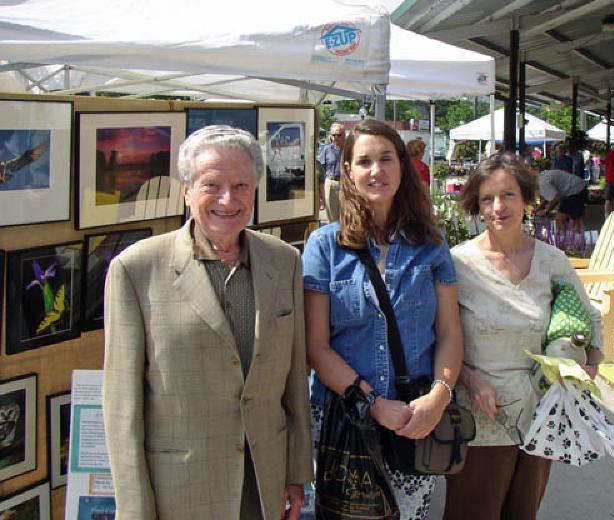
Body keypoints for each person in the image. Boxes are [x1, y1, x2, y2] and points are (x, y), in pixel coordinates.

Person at [103, 126, 312, 520]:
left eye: (241, 185)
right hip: (179, 489)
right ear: (186, 189)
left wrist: (297, 473)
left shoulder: (284, 262)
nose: (227, 199)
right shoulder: (136, 269)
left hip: (262, 482)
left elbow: (294, 380)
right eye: (211, 184)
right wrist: (134, 509)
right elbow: (121, 408)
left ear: (255, 190)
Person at [303, 120, 463, 520]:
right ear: (348, 172)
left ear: (404, 167)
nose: (376, 170)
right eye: (365, 161)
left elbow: (448, 331)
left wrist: (439, 397)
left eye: (386, 159)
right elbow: (315, 345)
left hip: (415, 418)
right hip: (346, 419)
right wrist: (372, 403)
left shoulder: (431, 244)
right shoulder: (325, 245)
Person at [443, 153, 602, 520]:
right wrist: (468, 379)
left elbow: (589, 318)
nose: (499, 207)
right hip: (482, 420)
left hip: (540, 418)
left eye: (508, 195)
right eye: (487, 198)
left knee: (523, 512)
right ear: (476, 206)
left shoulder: (552, 261)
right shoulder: (457, 264)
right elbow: (439, 338)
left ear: (528, 199)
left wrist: (588, 368)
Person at [534, 168, 588, 238]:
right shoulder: (541, 178)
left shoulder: (542, 184)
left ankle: (565, 242)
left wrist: (546, 211)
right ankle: (575, 240)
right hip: (578, 187)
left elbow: (557, 198)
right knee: (574, 219)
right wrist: (539, 208)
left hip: (575, 191)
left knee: (560, 219)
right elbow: (549, 195)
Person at [317, 122, 345, 222]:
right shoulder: (327, 149)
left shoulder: (349, 150)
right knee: (331, 216)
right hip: (330, 183)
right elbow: (321, 169)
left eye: (339, 135)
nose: (336, 137)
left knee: (345, 215)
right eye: (334, 135)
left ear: (344, 135)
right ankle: (333, 236)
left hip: (344, 183)